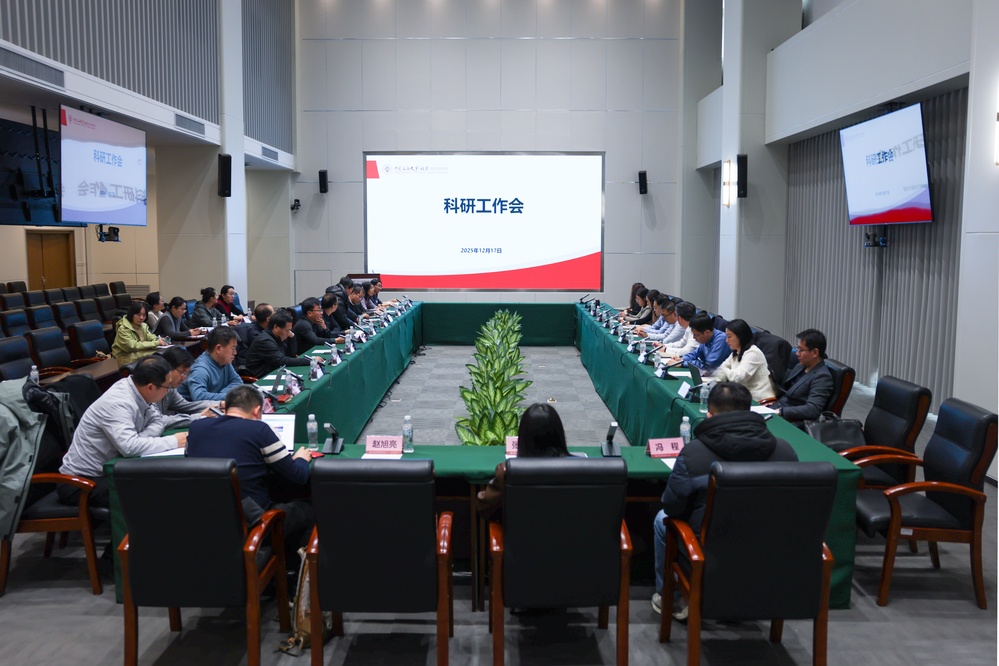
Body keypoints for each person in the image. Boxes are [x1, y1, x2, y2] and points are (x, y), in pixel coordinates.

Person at [651, 382, 797, 618]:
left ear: (709, 416)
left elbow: (672, 506)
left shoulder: (694, 453)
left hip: (709, 547)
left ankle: (675, 598)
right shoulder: (785, 451)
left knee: (662, 519)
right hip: (769, 546)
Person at [185, 384, 313, 584]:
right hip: (252, 523)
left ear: (226, 407)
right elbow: (298, 476)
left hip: (204, 521)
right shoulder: (259, 429)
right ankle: (294, 581)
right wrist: (301, 459)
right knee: (309, 508)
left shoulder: (196, 428)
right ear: (257, 410)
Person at [57, 355, 187, 508]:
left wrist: (139, 439)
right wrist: (173, 441)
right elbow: (130, 448)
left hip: (110, 470)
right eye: (167, 386)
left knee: (161, 482)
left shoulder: (139, 390)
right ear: (151, 387)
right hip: (82, 481)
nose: (169, 391)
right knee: (151, 494)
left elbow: (158, 421)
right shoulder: (118, 402)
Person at [475, 403, 570, 520]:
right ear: (560, 435)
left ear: (523, 437)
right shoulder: (582, 469)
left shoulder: (508, 472)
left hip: (521, 532)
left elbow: (484, 509)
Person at [771, 329, 834, 422]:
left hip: (791, 419)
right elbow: (785, 391)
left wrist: (781, 411)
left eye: (801, 350)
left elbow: (812, 409)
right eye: (797, 349)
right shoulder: (800, 366)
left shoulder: (822, 377)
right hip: (776, 408)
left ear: (815, 353)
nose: (797, 353)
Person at [711, 318, 776, 403]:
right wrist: (717, 380)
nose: (727, 340)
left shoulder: (753, 353)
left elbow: (738, 378)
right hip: (742, 397)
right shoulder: (736, 352)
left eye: (729, 337)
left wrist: (725, 370)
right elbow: (720, 370)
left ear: (740, 336)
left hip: (759, 400)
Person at [157, 346, 218, 429]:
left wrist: (219, 404)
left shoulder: (171, 389)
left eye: (187, 374)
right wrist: (200, 416)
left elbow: (187, 406)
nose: (184, 378)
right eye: (182, 372)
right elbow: (158, 420)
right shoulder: (152, 387)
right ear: (168, 368)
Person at [178, 326, 243, 401]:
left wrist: (221, 394)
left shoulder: (224, 361)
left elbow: (237, 382)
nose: (235, 352)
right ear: (218, 348)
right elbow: (199, 397)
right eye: (233, 348)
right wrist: (230, 396)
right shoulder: (200, 369)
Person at [244, 309, 311, 378]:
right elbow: (281, 361)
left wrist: (292, 337)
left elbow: (291, 356)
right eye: (287, 330)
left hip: (275, 371)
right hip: (261, 377)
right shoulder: (264, 340)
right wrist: (310, 361)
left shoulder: (277, 336)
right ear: (275, 327)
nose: (289, 333)